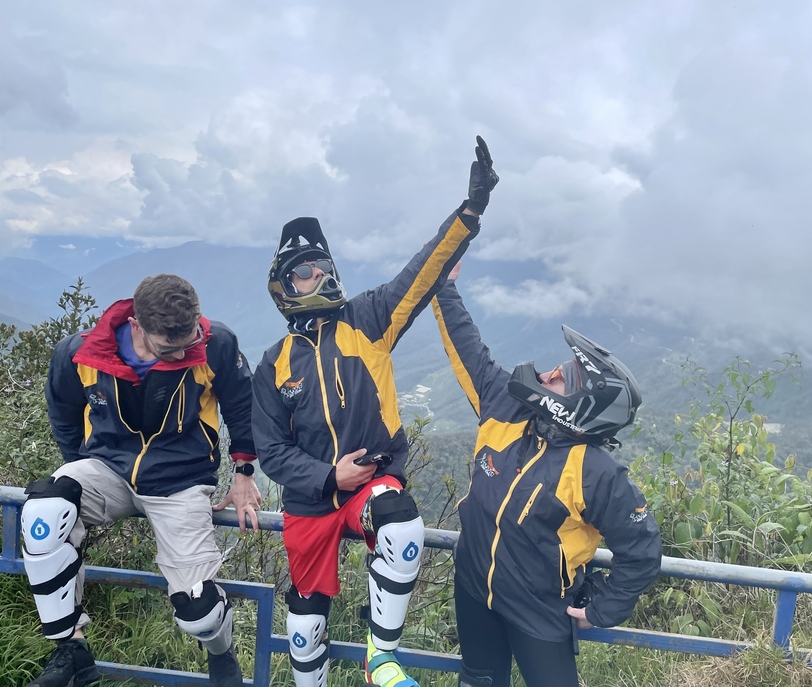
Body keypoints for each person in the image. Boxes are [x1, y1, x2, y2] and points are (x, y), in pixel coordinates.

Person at [251, 137, 499, 687]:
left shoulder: (369, 319)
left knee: (404, 528)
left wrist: (470, 212)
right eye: (300, 272)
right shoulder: (272, 365)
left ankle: (379, 656)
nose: (311, 277)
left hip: (371, 485)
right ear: (284, 285)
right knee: (304, 622)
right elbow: (270, 449)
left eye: (317, 267)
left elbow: (423, 269)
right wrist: (324, 476)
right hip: (309, 500)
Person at [431, 263, 663, 687]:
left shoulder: (596, 471)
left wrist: (603, 609)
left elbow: (641, 548)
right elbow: (467, 347)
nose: (551, 373)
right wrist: (443, 286)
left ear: (582, 405)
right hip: (472, 590)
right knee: (477, 682)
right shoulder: (506, 408)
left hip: (539, 610)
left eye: (563, 376)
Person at [22, 274, 260, 687]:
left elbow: (242, 408)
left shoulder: (215, 344)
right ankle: (71, 650)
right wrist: (77, 468)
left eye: (189, 341)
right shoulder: (80, 353)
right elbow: (62, 411)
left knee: (200, 614)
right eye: (170, 348)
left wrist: (243, 472)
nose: (183, 353)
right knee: (47, 507)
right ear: (136, 325)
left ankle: (222, 655)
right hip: (107, 469)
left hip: (180, 481)